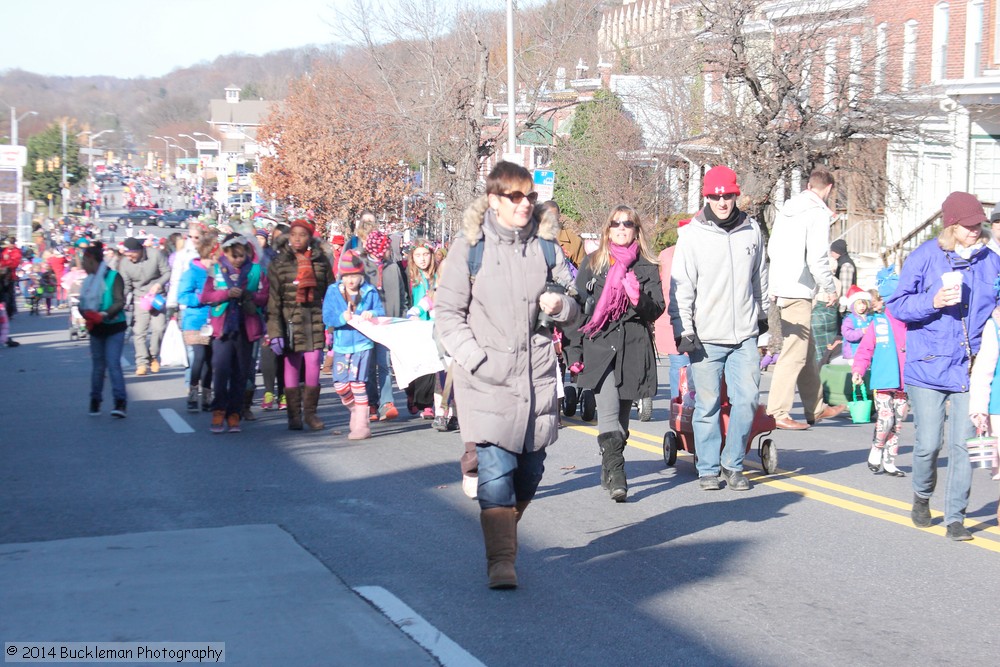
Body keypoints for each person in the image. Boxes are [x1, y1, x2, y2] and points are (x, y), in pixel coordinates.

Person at [436, 161, 579, 589]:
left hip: (535, 377)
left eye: (529, 196)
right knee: (496, 471)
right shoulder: (470, 248)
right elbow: (447, 314)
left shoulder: (548, 247)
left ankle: (504, 533)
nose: (525, 204)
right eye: (515, 196)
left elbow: (573, 303)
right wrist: (475, 359)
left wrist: (561, 307)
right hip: (487, 378)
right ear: (495, 200)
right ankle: (502, 560)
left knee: (530, 471)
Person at [886, 191, 1000, 541]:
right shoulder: (923, 257)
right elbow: (897, 305)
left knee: (966, 444)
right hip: (928, 363)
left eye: (979, 225)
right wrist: (932, 301)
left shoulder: (990, 261)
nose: (975, 231)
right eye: (968, 226)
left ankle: (956, 518)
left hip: (970, 365)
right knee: (928, 444)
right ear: (951, 225)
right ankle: (922, 495)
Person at [669, 165, 768, 491]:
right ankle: (709, 468)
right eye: (715, 196)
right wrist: (683, 329)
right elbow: (682, 286)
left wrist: (762, 319)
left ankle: (733, 463)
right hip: (706, 337)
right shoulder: (692, 235)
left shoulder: (752, 231)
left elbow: (759, 279)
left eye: (727, 195)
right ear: (707, 196)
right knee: (708, 405)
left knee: (748, 399)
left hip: (745, 336)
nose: (722, 201)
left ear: (736, 194)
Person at [565, 205, 663, 502]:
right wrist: (573, 352)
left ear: (636, 230)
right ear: (607, 230)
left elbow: (656, 309)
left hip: (633, 346)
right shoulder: (593, 263)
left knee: (621, 419)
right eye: (616, 224)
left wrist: (637, 297)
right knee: (607, 411)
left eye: (628, 224)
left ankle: (609, 467)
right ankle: (618, 474)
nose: (622, 228)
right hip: (600, 344)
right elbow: (576, 312)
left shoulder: (647, 265)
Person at [764, 167, 845, 430]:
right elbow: (817, 257)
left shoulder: (787, 209)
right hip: (799, 289)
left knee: (806, 352)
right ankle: (777, 411)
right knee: (793, 355)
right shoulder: (816, 213)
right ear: (828, 188)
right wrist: (829, 287)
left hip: (783, 284)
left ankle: (815, 407)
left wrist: (774, 284)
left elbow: (773, 248)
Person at [267, 217, 335, 431]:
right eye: (294, 234)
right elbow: (273, 301)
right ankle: (293, 415)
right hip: (289, 322)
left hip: (314, 319)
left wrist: (332, 326)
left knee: (314, 362)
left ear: (309, 238)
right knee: (291, 365)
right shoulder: (279, 263)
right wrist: (274, 331)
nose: (297, 239)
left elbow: (331, 294)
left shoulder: (321, 261)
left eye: (302, 235)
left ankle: (311, 414)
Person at [199, 233, 268, 434]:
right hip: (223, 329)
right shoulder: (216, 270)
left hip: (247, 327)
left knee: (240, 373)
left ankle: (234, 414)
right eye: (234, 255)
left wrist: (250, 296)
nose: (238, 259)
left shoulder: (256, 271)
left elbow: (265, 297)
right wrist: (226, 294)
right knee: (220, 370)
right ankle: (219, 410)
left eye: (241, 255)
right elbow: (206, 296)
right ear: (226, 252)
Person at [322, 250, 384, 440]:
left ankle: (362, 425)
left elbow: (380, 312)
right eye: (347, 276)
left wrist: (371, 314)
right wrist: (342, 317)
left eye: (354, 276)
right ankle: (356, 411)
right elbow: (327, 317)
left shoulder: (370, 291)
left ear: (361, 275)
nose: (351, 280)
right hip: (341, 344)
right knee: (341, 386)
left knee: (358, 384)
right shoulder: (334, 291)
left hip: (362, 343)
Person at [852, 267, 907, 477]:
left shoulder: (912, 323)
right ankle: (877, 447)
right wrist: (859, 369)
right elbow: (865, 349)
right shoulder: (879, 322)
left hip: (905, 380)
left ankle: (890, 460)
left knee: (898, 421)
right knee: (886, 419)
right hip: (884, 379)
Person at [361, 229, 409, 420]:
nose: (389, 250)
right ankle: (372, 402)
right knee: (369, 364)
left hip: (389, 323)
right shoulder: (363, 267)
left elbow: (402, 294)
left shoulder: (393, 268)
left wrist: (403, 316)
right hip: (368, 324)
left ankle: (387, 402)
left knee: (384, 363)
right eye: (386, 247)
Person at [405, 239, 453, 426]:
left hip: (440, 332)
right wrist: (412, 315)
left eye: (425, 254)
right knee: (420, 368)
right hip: (419, 329)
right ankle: (418, 398)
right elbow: (416, 304)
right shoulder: (411, 277)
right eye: (418, 255)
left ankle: (441, 410)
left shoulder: (438, 280)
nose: (422, 259)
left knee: (440, 373)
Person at [79, 242, 128, 418]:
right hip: (96, 329)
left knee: (113, 364)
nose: (83, 265)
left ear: (92, 261)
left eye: (84, 261)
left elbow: (119, 301)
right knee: (98, 367)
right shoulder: (87, 281)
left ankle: (120, 402)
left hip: (114, 326)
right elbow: (81, 304)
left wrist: (103, 314)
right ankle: (95, 399)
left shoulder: (114, 276)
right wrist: (87, 315)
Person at [177, 229, 218, 413]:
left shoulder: (217, 273)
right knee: (199, 358)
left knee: (210, 361)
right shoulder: (191, 273)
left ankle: (207, 396)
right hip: (195, 322)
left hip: (214, 321)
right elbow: (183, 296)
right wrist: (202, 297)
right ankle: (193, 393)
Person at [118, 236, 170, 376]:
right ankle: (141, 363)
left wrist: (159, 284)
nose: (129, 258)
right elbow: (126, 285)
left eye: (131, 254)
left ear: (139, 250)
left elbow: (167, 272)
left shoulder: (155, 255)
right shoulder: (125, 263)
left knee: (159, 328)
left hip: (157, 297)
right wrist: (120, 300)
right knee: (139, 331)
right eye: (127, 255)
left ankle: (152, 356)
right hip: (139, 298)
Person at [655, 218, 691, 400]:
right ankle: (682, 408)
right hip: (675, 320)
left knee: (680, 365)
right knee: (683, 364)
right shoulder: (668, 255)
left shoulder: (666, 255)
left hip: (671, 320)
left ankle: (678, 409)